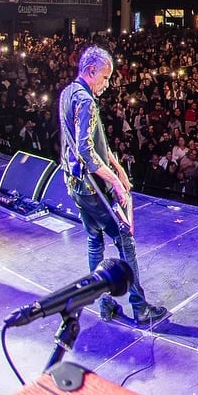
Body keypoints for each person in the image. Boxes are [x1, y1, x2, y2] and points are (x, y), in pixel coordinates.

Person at [58, 45, 168, 324]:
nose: (107, 85)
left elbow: (97, 143)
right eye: (105, 78)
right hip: (93, 187)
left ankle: (105, 304)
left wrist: (118, 167)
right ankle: (139, 306)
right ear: (91, 71)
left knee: (94, 241)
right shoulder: (86, 101)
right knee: (125, 240)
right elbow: (86, 152)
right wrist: (117, 185)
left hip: (74, 184)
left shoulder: (67, 93)